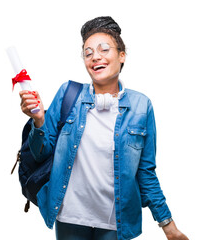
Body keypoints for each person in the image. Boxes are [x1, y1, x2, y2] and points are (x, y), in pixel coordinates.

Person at [19, 16, 189, 240]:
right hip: (69, 219)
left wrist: (168, 225)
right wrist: (39, 121)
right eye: (88, 53)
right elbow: (42, 153)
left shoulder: (141, 106)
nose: (95, 57)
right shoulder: (68, 94)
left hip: (115, 223)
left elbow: (145, 173)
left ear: (121, 55)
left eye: (104, 49)